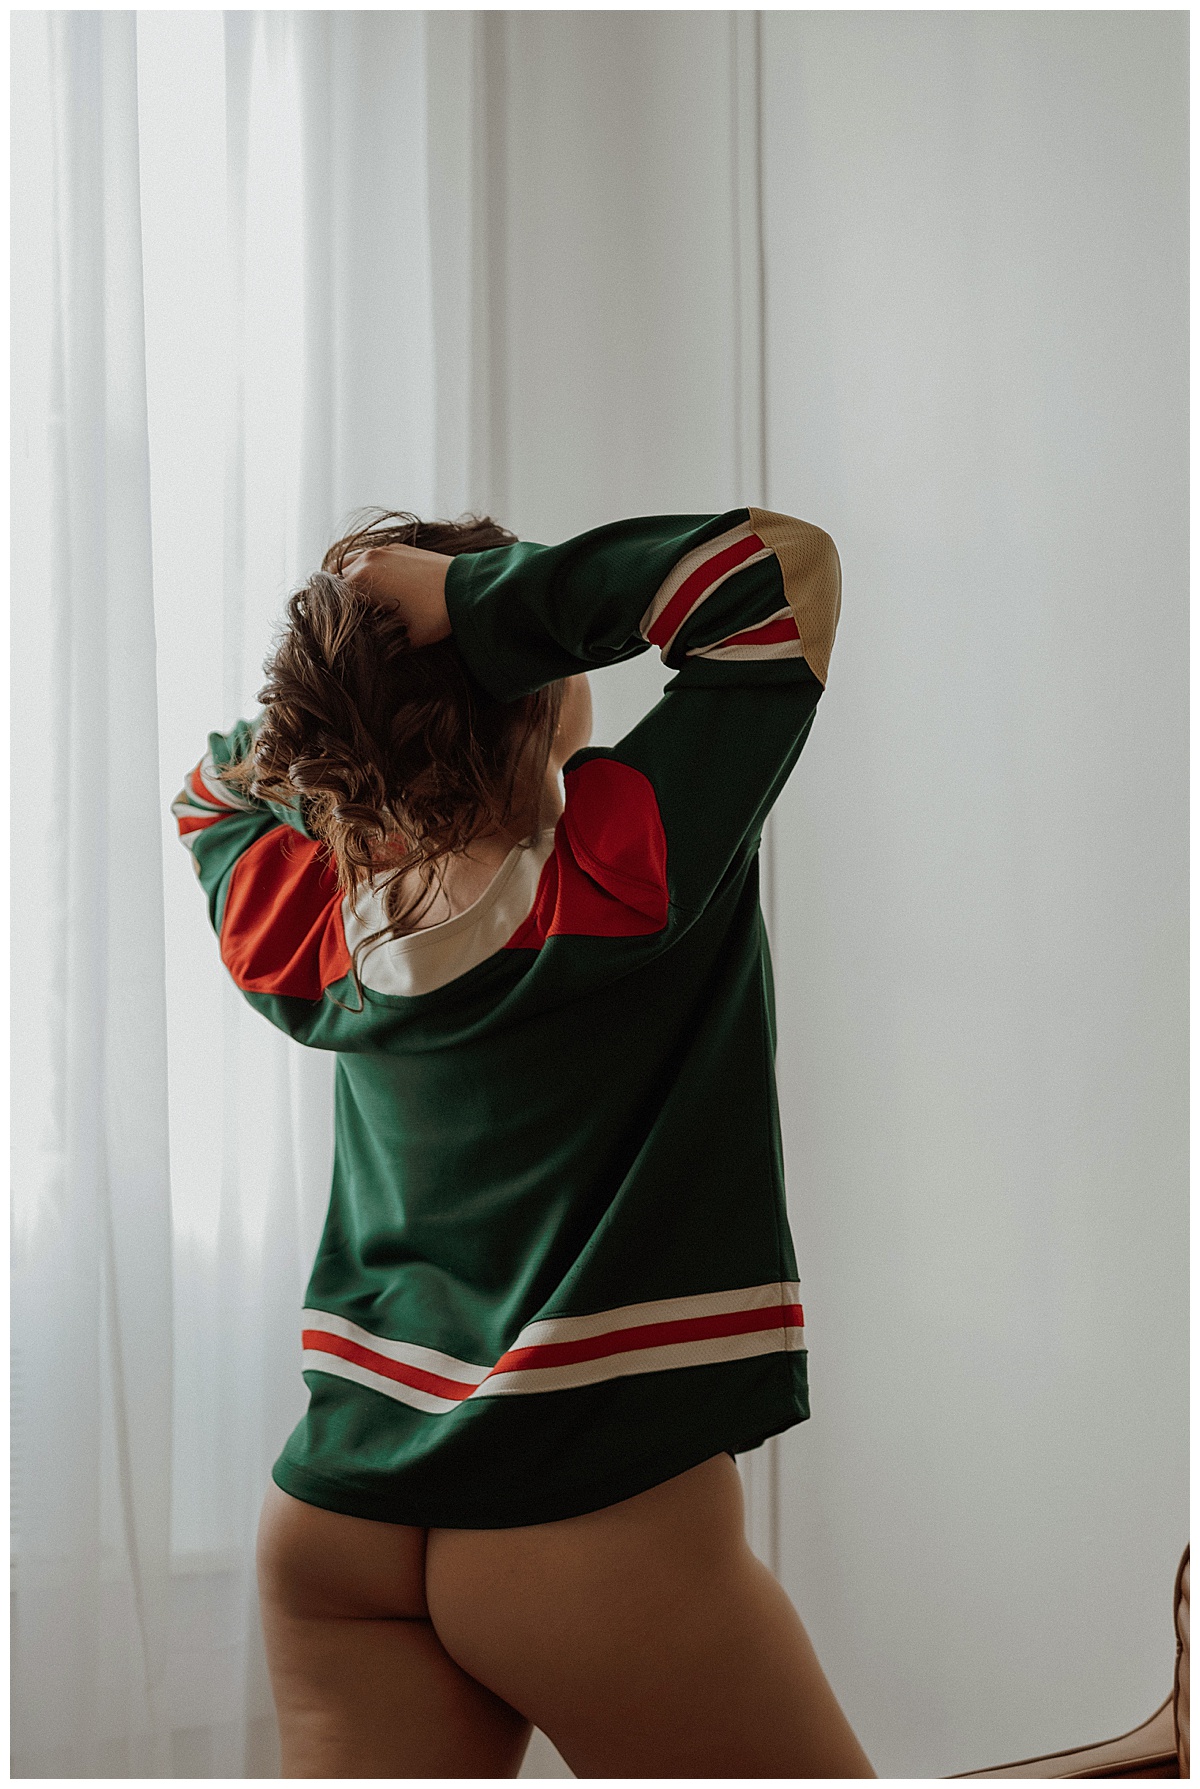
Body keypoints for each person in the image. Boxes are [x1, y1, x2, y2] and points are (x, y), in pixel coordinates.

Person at [172, 503, 873, 1778]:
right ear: (537, 681)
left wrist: (355, 683)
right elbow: (778, 576)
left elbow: (216, 784)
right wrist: (483, 600)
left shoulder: (310, 932)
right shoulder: (621, 869)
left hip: (340, 1515)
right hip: (577, 1512)